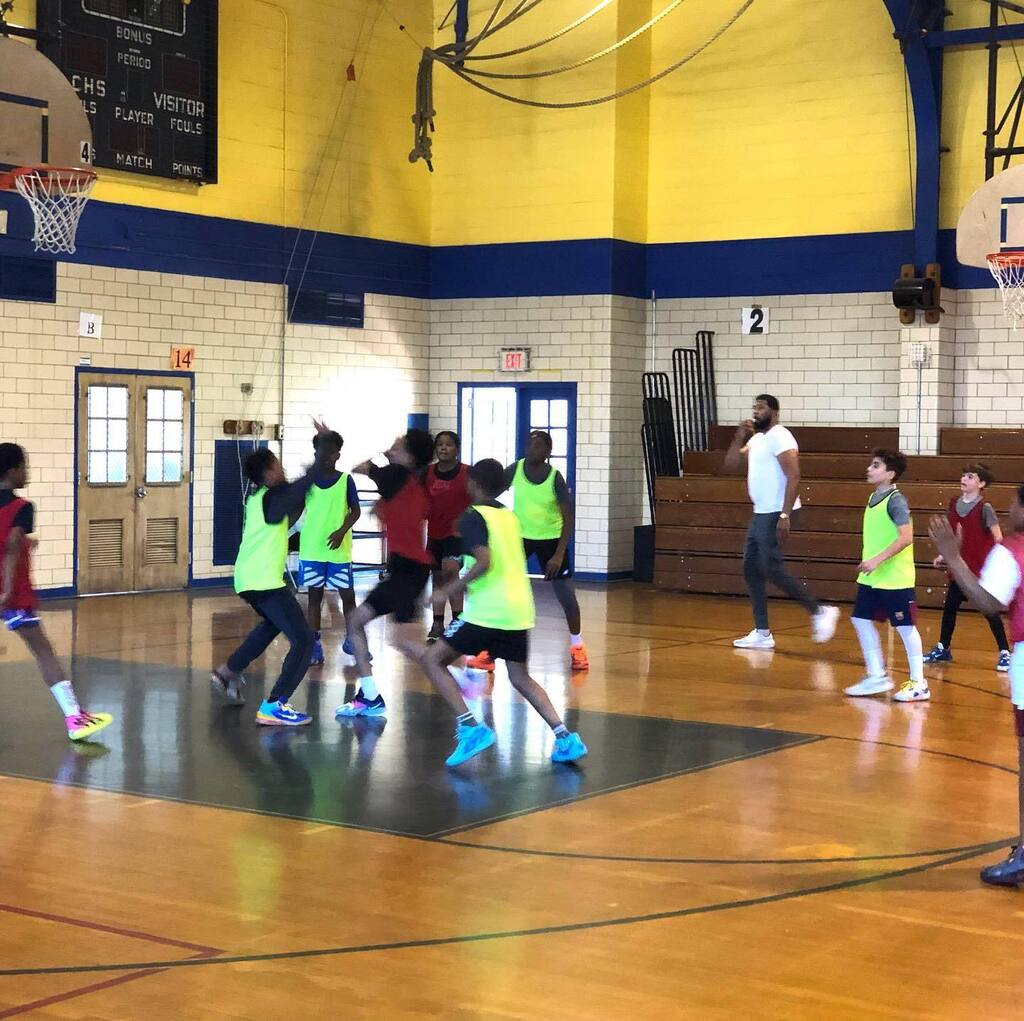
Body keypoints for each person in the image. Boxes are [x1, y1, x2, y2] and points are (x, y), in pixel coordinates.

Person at [411, 458, 588, 767]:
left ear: (472, 484)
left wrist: (448, 590)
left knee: (431, 659)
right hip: (518, 610)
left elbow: (484, 560)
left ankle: (471, 728)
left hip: (487, 612)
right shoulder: (508, 516)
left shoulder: (473, 516)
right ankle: (564, 737)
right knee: (520, 677)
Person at [929, 491, 1024, 886]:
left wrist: (953, 557)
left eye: (1016, 503)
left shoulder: (1012, 551)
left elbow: (987, 602)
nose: (1009, 508)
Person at [212, 425, 332, 726]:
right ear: (267, 473)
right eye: (277, 465)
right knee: (304, 640)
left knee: (271, 626)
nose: (282, 469)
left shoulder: (260, 498)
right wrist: (323, 447)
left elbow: (299, 491)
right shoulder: (270, 500)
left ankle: (228, 671)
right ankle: (275, 705)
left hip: (251, 579)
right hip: (262, 581)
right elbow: (303, 485)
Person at [0, 443, 113, 742]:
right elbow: (10, 547)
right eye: (24, 467)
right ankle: (75, 718)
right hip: (12, 596)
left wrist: (27, 543)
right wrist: (7, 592)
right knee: (43, 651)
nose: (27, 472)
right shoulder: (22, 508)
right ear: (12, 471)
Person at [723, 394, 839, 649]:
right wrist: (738, 437)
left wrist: (785, 515)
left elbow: (794, 476)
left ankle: (819, 611)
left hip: (777, 512)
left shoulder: (780, 436)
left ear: (774, 412)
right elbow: (731, 464)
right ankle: (762, 632)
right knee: (751, 567)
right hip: (760, 512)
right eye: (754, 407)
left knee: (771, 567)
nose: (756, 411)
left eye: (761, 407)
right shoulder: (757, 439)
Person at [468, 430, 589, 673]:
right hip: (521, 538)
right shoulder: (516, 469)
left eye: (539, 445)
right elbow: (491, 492)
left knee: (567, 598)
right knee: (500, 589)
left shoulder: (554, 477)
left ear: (548, 451)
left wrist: (558, 554)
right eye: (530, 444)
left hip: (551, 540)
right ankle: (489, 653)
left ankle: (578, 647)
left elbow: (568, 517)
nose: (533, 449)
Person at [335, 428, 435, 719]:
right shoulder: (407, 483)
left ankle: (370, 697)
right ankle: (371, 696)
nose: (391, 447)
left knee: (356, 622)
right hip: (409, 570)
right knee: (401, 640)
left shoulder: (395, 476)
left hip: (408, 570)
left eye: (398, 446)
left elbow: (361, 467)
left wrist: (375, 458)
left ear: (410, 457)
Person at [843, 449, 929, 702]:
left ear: (890, 474)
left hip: (895, 578)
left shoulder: (896, 501)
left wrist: (876, 560)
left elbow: (906, 538)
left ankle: (919, 683)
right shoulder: (873, 498)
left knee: (905, 627)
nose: (869, 469)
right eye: (871, 464)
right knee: (860, 619)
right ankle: (876, 675)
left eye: (876, 465)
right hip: (873, 577)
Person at [925, 463, 1010, 671]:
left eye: (970, 476)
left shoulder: (985, 508)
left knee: (990, 612)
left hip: (980, 571)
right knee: (950, 607)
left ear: (981, 483)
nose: (964, 479)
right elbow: (952, 537)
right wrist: (944, 555)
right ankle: (943, 647)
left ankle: (1005, 652)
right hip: (960, 570)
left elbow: (998, 538)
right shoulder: (954, 504)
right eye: (964, 475)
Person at [297, 429, 361, 667]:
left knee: (348, 596)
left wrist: (342, 530)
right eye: (321, 451)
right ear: (315, 453)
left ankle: (352, 639)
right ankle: (314, 645)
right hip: (312, 548)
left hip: (338, 548)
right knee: (315, 597)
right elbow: (295, 508)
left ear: (338, 455)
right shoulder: (308, 482)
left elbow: (356, 511)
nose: (325, 455)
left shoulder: (346, 480)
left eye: (330, 451)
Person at [425, 430, 471, 643]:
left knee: (451, 572)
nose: (443, 448)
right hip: (434, 534)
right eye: (440, 444)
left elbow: (477, 499)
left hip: (457, 535)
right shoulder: (428, 473)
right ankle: (437, 623)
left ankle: (458, 621)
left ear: (457, 449)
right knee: (437, 577)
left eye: (449, 444)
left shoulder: (466, 473)